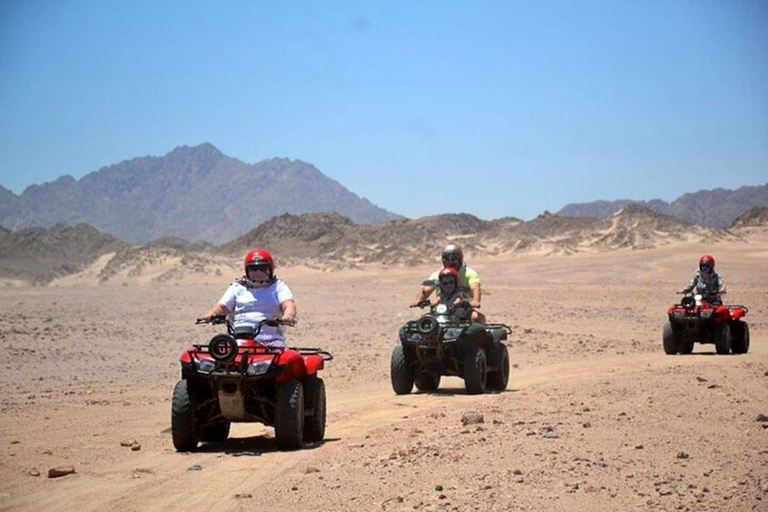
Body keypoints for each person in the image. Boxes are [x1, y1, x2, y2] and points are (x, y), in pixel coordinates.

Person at [201, 249, 296, 348]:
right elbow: (223, 306)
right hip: (236, 339)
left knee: (282, 359)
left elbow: (288, 304)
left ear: (270, 269)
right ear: (247, 270)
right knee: (215, 357)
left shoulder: (278, 286)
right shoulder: (237, 287)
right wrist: (211, 314)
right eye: (253, 269)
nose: (258, 272)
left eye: (262, 268)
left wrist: (288, 315)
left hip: (269, 338)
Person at [410, 243, 486, 324]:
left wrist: (475, 301)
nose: (450, 261)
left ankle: (481, 336)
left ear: (460, 259)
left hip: (463, 308)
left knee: (477, 317)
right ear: (443, 260)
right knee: (425, 322)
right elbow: (426, 290)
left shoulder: (469, 273)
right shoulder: (438, 275)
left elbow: (475, 288)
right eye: (447, 258)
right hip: (441, 309)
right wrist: (418, 301)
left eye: (454, 258)